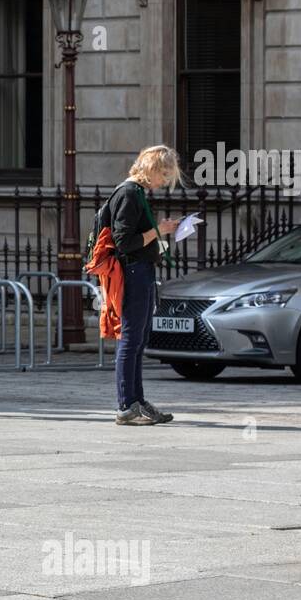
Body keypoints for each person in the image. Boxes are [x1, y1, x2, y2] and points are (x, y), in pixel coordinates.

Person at [110, 145, 181, 425]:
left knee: (138, 340)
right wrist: (159, 231)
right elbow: (123, 241)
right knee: (130, 339)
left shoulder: (137, 193)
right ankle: (126, 405)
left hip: (142, 271)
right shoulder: (129, 193)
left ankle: (136, 401)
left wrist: (159, 234)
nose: (164, 181)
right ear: (150, 168)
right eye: (163, 174)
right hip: (133, 272)